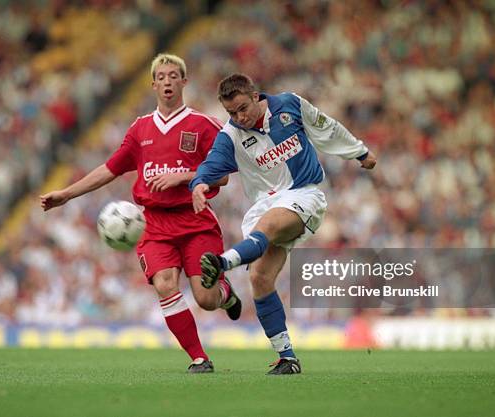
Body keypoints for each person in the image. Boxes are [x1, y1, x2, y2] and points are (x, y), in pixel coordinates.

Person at [40, 54, 241, 373]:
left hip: (194, 220)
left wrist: (185, 176)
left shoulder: (203, 125)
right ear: (153, 84)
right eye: (161, 77)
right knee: (164, 283)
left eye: (173, 76)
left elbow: (224, 173)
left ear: (184, 82)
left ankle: (225, 294)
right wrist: (66, 193)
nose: (167, 82)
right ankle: (199, 358)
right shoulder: (140, 129)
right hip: (154, 224)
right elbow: (110, 169)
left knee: (205, 298)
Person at [190, 73, 376, 375]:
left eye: (242, 108)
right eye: (231, 113)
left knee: (269, 225)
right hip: (265, 204)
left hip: (304, 195)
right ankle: (287, 358)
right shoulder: (231, 134)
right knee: (260, 278)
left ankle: (223, 263)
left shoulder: (289, 105)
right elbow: (211, 164)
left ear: (255, 96)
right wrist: (198, 184)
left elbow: (326, 128)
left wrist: (360, 152)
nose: (239, 117)